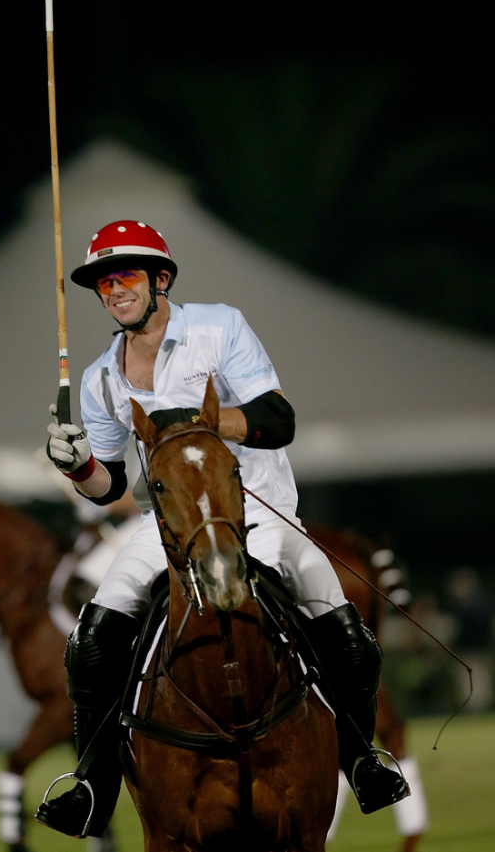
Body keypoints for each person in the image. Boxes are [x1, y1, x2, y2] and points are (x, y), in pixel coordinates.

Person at [35, 220, 409, 838]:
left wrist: (193, 426)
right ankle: (93, 787)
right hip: (169, 531)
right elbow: (113, 491)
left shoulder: (219, 326)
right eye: (102, 282)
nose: (113, 289)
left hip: (260, 515)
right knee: (91, 645)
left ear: (161, 279)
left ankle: (362, 759)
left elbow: (278, 418)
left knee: (349, 638)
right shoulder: (103, 375)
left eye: (125, 274)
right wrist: (78, 466)